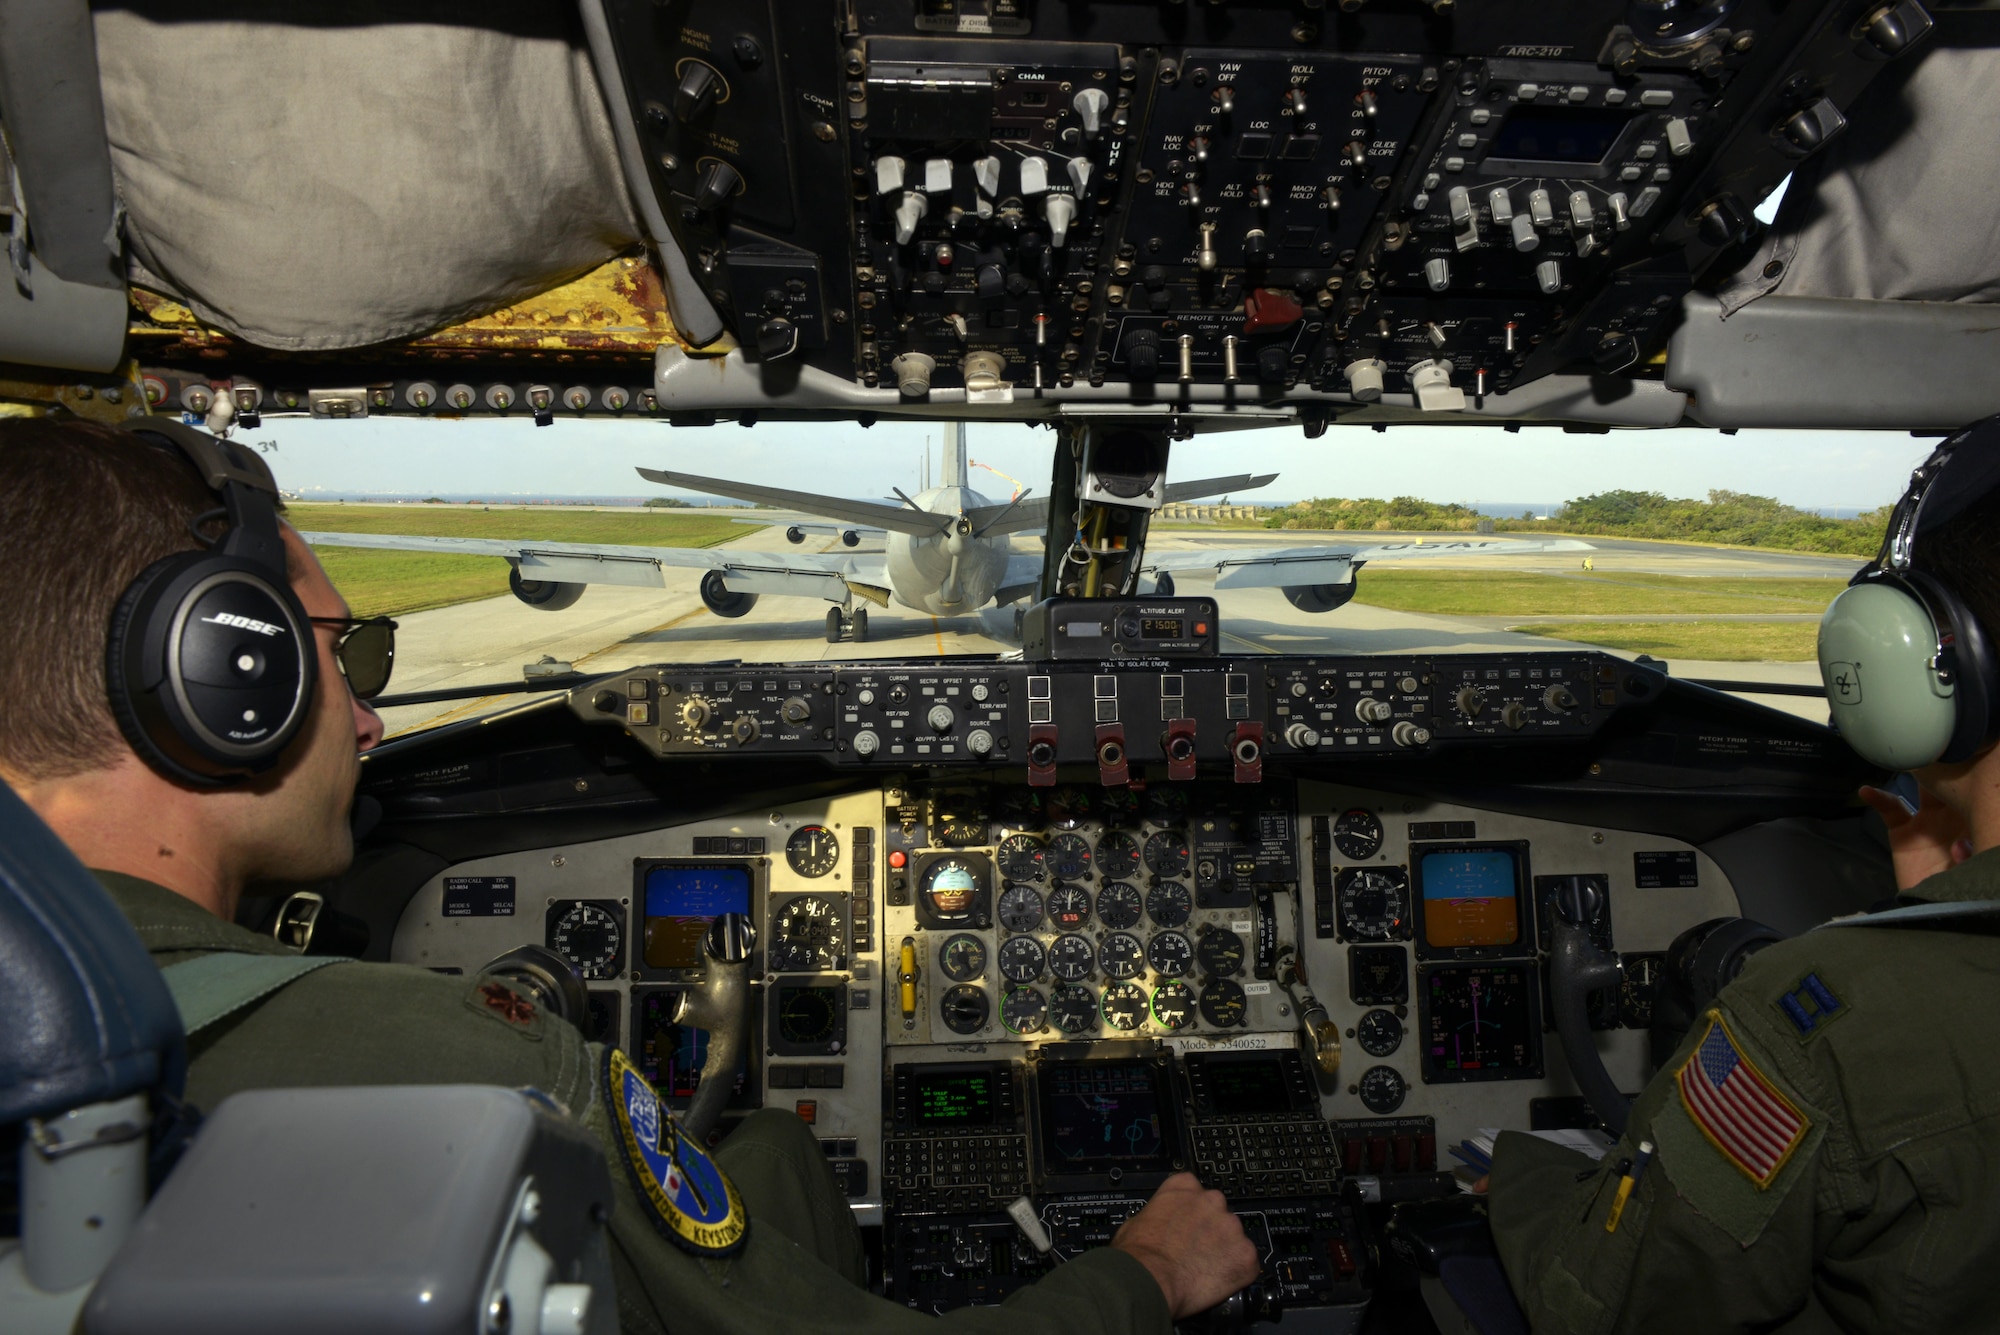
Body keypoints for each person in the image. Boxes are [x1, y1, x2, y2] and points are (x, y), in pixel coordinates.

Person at [0, 418, 1261, 1334]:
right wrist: (1143, 1273)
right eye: (352, 653)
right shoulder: (473, 1068)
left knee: (766, 1144)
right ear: (229, 673)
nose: (372, 718)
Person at [1484, 421, 2000, 1333]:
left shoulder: (1831, 1017)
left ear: (1926, 657)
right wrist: (1910, 907)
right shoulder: (1887, 989)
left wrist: (1512, 1173)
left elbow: (1608, 1300)